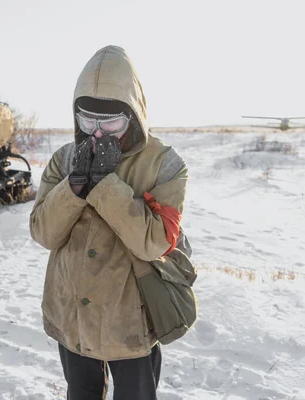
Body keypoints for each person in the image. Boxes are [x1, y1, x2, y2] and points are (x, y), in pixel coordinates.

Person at [29, 45, 189, 399]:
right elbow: (43, 231)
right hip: (72, 313)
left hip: (130, 320)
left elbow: (157, 242)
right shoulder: (64, 159)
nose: (98, 132)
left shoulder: (165, 165)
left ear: (133, 114)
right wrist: (73, 187)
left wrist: (105, 185)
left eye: (111, 122)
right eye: (88, 120)